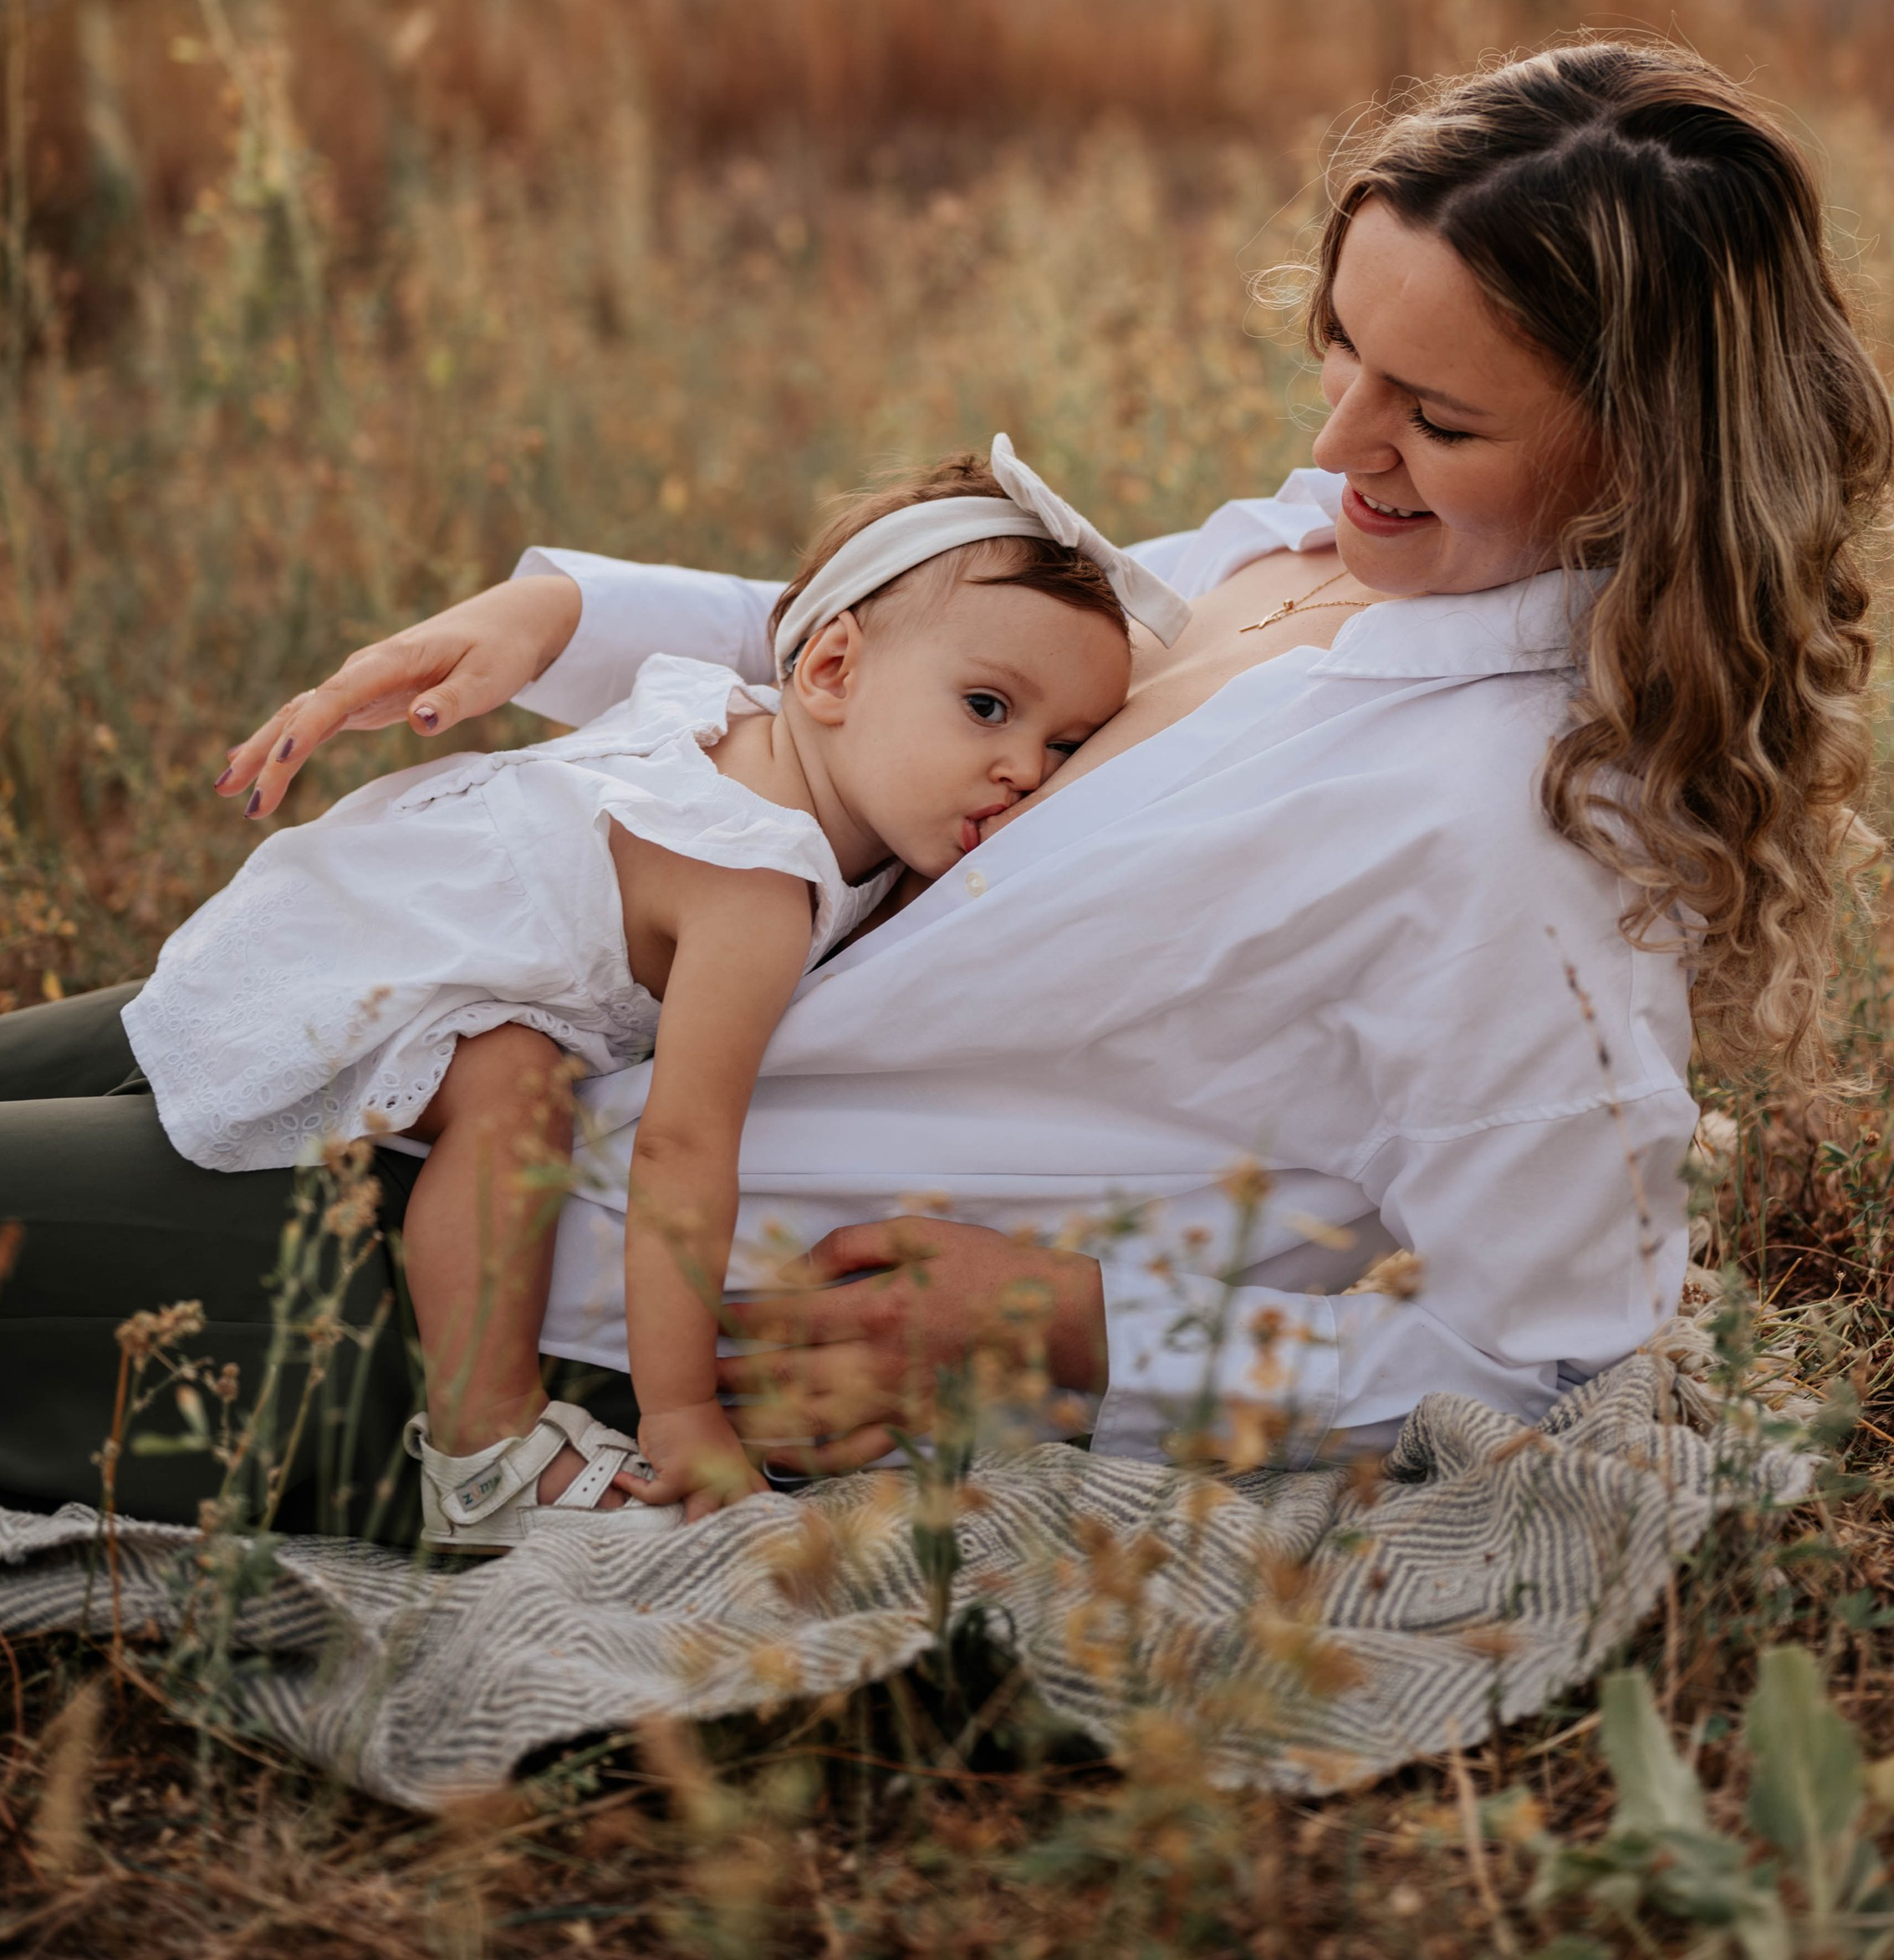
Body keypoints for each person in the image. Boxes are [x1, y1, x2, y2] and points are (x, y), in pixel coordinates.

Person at [0, 43, 1891, 1524]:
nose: (1339, 442)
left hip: (534, 1290)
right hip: (465, 1013)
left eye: (1436, 415)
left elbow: (1547, 1362)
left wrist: (1074, 1333)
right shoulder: (1312, 545)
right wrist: (566, 606)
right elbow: (950, 678)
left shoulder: (1516, 832)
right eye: (1341, 354)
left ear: (1644, 449)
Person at [119, 446, 1156, 1545]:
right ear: (833, 671)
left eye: (1062, 746)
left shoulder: (765, 733)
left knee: (514, 1064)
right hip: (386, 951)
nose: (1025, 771)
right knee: (516, 1095)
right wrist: (681, 1409)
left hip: (365, 888)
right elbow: (681, 1153)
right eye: (988, 707)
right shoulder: (755, 888)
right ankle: (481, 1447)